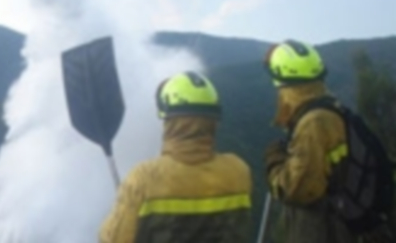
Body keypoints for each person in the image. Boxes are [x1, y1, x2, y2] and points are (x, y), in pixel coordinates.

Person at [262, 39, 395, 243]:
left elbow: (299, 189)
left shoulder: (314, 123)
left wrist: (275, 162)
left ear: (283, 85)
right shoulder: (331, 110)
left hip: (330, 233)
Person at [99, 71, 253, 243]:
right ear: (214, 122)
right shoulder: (239, 172)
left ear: (169, 121)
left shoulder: (144, 179)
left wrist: (121, 208)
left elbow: (114, 239)